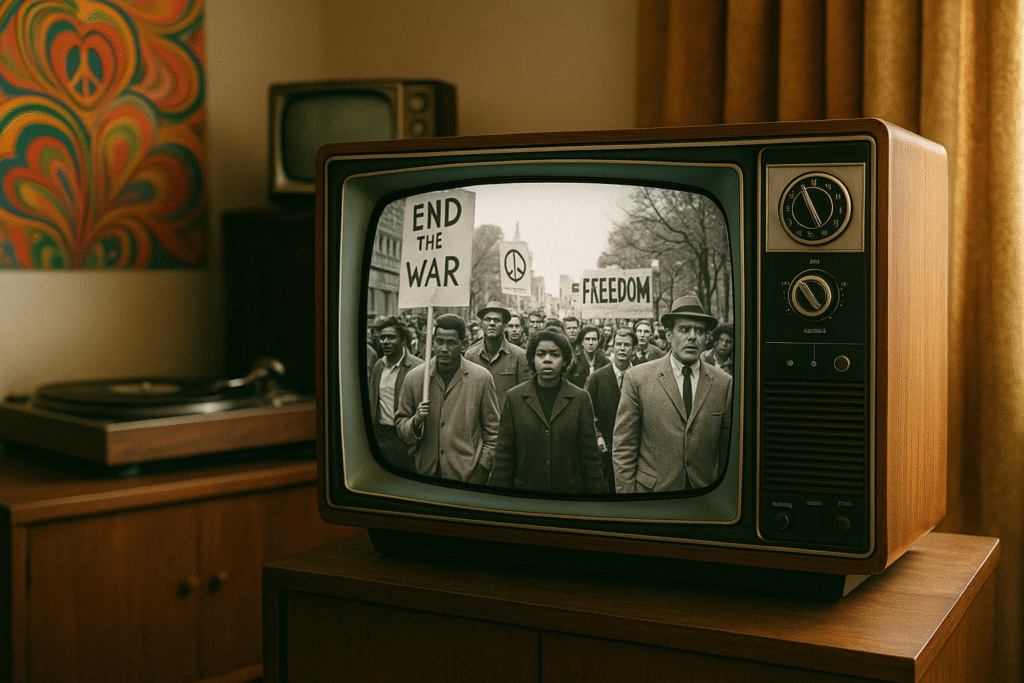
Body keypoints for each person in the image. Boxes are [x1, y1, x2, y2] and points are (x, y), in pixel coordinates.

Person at [613, 295, 733, 493]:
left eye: (700, 331)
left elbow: (726, 449)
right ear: (669, 335)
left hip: (704, 499)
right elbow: (624, 447)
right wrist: (628, 503)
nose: (692, 336)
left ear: (706, 338)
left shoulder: (723, 383)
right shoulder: (637, 378)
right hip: (652, 497)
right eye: (684, 329)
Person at [489, 329, 605, 494]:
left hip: (568, 496)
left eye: (555, 355)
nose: (547, 360)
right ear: (532, 359)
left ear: (565, 360)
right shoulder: (514, 397)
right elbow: (504, 456)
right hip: (525, 497)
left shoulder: (580, 399)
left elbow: (590, 459)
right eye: (541, 354)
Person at [395, 314, 499, 484]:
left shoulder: (481, 378)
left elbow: (493, 432)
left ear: (463, 344)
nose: (444, 348)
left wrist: (482, 469)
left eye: (451, 342)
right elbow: (400, 424)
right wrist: (416, 422)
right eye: (439, 341)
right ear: (432, 342)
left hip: (467, 475)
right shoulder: (414, 378)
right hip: (425, 474)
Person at [584, 327, 636, 493]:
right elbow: (586, 413)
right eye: (618, 344)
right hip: (606, 449)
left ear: (634, 349)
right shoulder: (597, 378)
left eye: (626, 345)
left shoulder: (642, 375)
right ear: (612, 347)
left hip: (635, 448)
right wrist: (598, 435)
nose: (622, 348)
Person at [368, 317, 422, 470]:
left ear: (403, 339)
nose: (385, 341)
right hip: (380, 436)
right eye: (382, 337)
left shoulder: (417, 368)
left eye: (391, 337)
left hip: (404, 439)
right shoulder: (379, 365)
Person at [465, 301, 531, 410]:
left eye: (497, 320)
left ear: (504, 326)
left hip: (507, 421)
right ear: (481, 324)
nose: (491, 323)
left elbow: (526, 395)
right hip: (478, 422)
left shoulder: (520, 356)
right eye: (487, 319)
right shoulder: (470, 355)